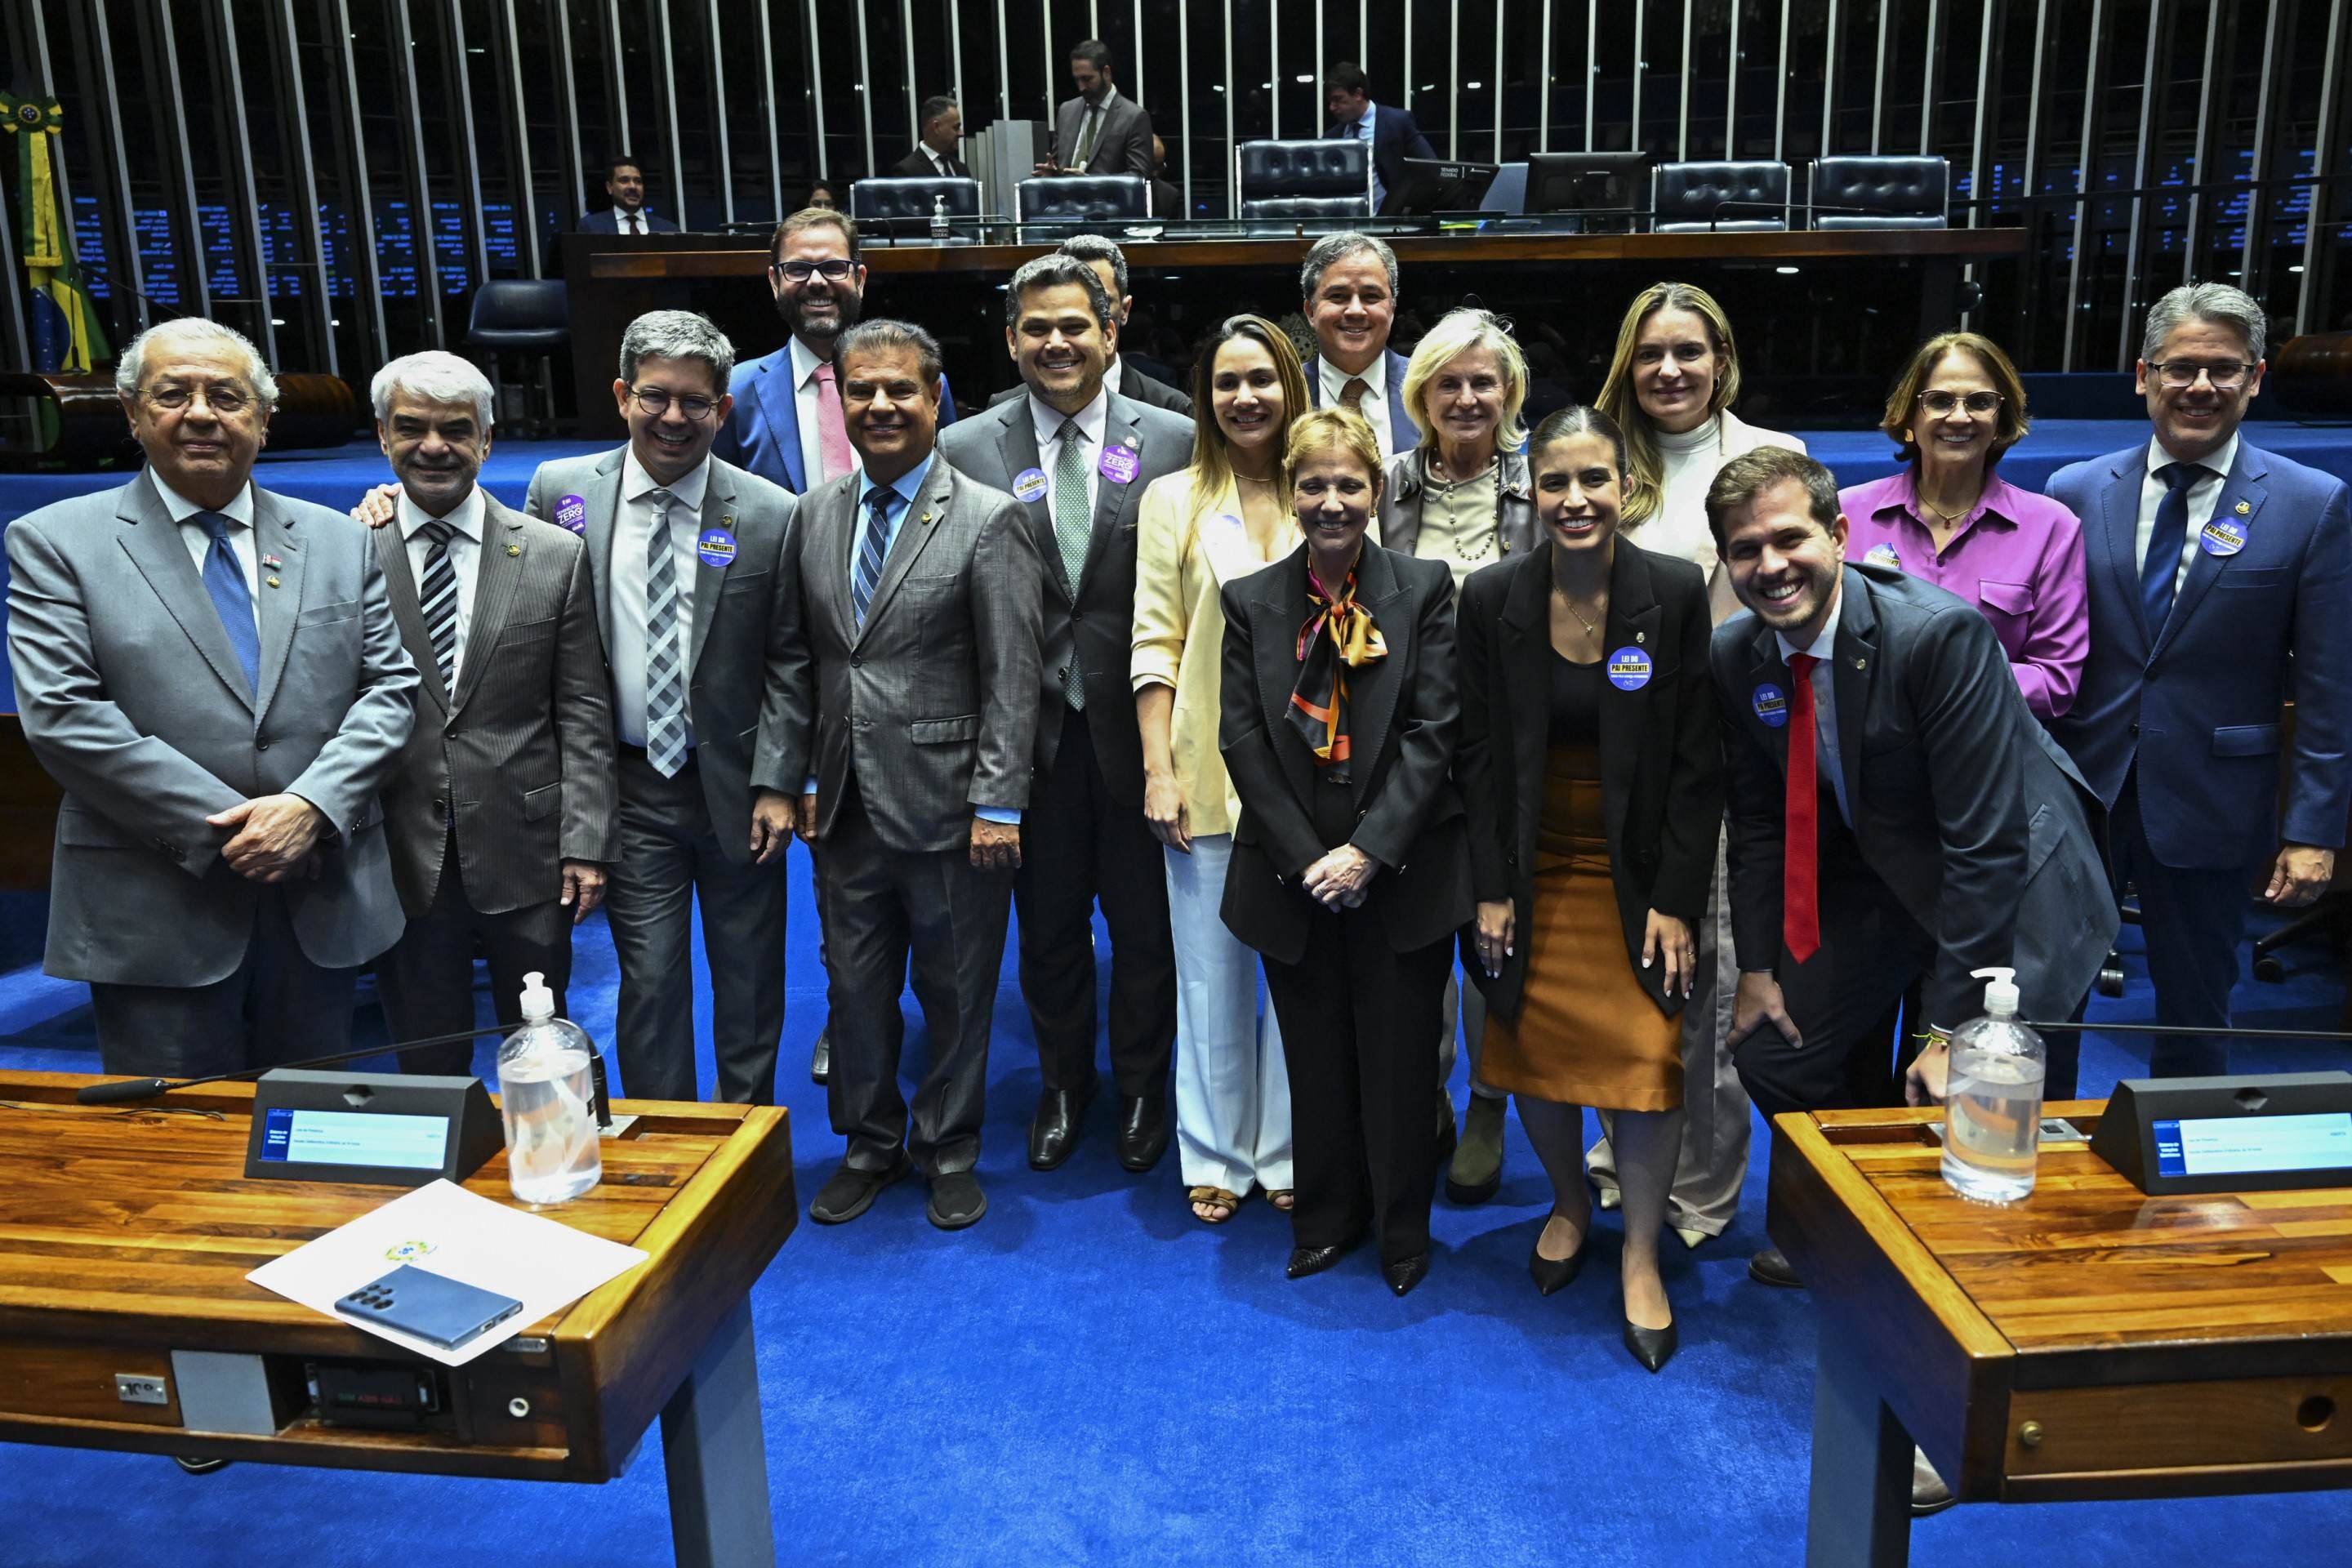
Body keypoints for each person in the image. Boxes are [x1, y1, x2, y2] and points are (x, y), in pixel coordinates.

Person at [1709, 445, 2114, 1290]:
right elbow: (1755, 822)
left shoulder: (1938, 636)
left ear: (1841, 533)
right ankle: (1861, 1229)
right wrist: (1756, 967)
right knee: (1777, 1055)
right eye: (1746, 550)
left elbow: (1986, 844)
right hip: (1878, 865)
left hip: (2020, 880)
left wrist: (1948, 1031)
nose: (1771, 566)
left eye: (1791, 539)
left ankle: (1983, 1278)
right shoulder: (1736, 654)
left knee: (1989, 1099)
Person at [4, 320, 416, 1076]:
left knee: (312, 1142)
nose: (200, 414)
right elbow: (64, 715)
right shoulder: (56, 541)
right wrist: (239, 832)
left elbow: (390, 690)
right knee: (173, 1156)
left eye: (226, 396)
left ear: (262, 418)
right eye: (173, 394)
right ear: (133, 413)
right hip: (158, 907)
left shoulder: (339, 541)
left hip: (320, 897)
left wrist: (311, 809)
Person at [1458, 405, 1720, 1371]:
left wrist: (1677, 899)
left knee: (1647, 1068)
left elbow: (1698, 761)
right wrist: (1491, 888)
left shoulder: (1675, 591)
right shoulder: (1491, 598)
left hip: (1638, 872)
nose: (1575, 500)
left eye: (1593, 481)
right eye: (1555, 481)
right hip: (1531, 868)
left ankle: (1642, 1253)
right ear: (1530, 489)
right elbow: (1477, 758)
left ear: (1626, 487)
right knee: (1531, 1047)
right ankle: (1571, 1203)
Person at [775, 319, 1044, 1231]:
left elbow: (1014, 676)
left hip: (950, 803)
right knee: (853, 988)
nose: (880, 405)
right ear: (841, 401)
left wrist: (999, 803)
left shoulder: (989, 516)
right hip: (843, 802)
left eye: (901, 390)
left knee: (956, 989)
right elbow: (804, 663)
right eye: (863, 391)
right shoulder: (813, 515)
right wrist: (798, 777)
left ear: (936, 400)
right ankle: (868, 1142)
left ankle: (949, 1145)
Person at [2047, 282, 2352, 1080]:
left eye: (2225, 370)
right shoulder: (2076, 491)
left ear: (2255, 380)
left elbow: (2328, 684)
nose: (2201, 388)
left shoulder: (2311, 504)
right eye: (2182, 368)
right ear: (2144, 374)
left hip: (2214, 794)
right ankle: (2039, 1165)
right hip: (2081, 785)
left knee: (2196, 1006)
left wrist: (2315, 830)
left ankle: (2183, 1186)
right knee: (2047, 1002)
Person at [938, 254, 1190, 1174]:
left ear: (1110, 331)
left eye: (1074, 325)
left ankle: (1139, 1090)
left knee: (1144, 931)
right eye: (1036, 328)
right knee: (1046, 932)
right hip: (1027, 739)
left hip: (1140, 735)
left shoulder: (1173, 439)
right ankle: (1062, 1084)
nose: (1056, 343)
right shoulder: (965, 447)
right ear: (1010, 340)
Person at [521, 311, 802, 1106]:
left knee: (749, 984)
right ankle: (670, 1146)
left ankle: (743, 1144)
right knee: (650, 987)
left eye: (695, 402)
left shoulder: (772, 513)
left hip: (741, 793)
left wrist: (779, 780)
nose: (674, 418)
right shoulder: (561, 493)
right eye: (655, 397)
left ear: (724, 408)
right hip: (632, 788)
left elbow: (790, 659)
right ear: (621, 395)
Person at [1218, 408, 1469, 1297]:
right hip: (1293, 880)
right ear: (1291, 493)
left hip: (1400, 873)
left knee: (1400, 1064)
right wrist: (1306, 858)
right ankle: (1327, 1218)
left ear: (1377, 492)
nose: (1331, 502)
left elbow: (1436, 732)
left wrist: (1367, 852)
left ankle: (1404, 1232)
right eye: (1314, 485)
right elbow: (1242, 739)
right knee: (1315, 1058)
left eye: (1349, 485)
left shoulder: (1426, 587)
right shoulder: (1249, 600)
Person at [1584, 280, 1806, 1250]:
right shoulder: (1597, 461)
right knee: (1616, 973)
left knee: (1708, 981)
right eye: (1649, 353)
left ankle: (1701, 1190)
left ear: (1723, 360)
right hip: (1607, 758)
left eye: (1689, 352)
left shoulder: (1774, 459)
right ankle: (1613, 1156)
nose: (1668, 371)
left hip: (1721, 751)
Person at [362, 352, 617, 1076]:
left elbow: (583, 710)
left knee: (546, 1048)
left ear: (487, 440)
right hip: (399, 848)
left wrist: (588, 840)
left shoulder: (554, 555)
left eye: (455, 429)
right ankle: (439, 1182)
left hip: (528, 848)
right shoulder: (346, 551)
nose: (433, 446)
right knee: (424, 1053)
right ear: (382, 437)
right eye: (411, 428)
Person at [1134, 315, 1309, 1223]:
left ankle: (1285, 1151)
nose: (1246, 397)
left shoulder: (1326, 484)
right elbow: (1155, 642)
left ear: (1292, 386)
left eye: (1263, 379)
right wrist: (1157, 768)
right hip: (1202, 770)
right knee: (1209, 975)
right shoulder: (1172, 498)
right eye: (1228, 381)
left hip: (1314, 780)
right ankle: (1213, 1154)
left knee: (1295, 977)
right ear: (1205, 398)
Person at [1377, 306, 1541, 1204]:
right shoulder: (1389, 485)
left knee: (1496, 937)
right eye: (1450, 384)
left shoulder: (1541, 485)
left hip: (1506, 750)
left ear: (1509, 393)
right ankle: (1428, 1094)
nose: (1468, 398)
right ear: (1422, 396)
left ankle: (1488, 1099)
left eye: (1484, 382)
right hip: (1404, 749)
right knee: (1412, 938)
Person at [1840, 332, 2087, 723]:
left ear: (2000, 419)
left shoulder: (2051, 528)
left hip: (1992, 759)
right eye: (1939, 401)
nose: (1959, 417)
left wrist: (1939, 678)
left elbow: (2055, 684)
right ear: (1909, 415)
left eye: (1980, 402)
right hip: (1869, 760)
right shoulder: (1847, 513)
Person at [717, 208, 962, 500]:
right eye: (798, 269)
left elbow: (947, 492)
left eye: (833, 267)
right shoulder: (736, 392)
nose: (817, 281)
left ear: (860, 279)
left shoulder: (923, 384)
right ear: (774, 282)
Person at [989, 236, 1191, 414]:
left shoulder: (1170, 408)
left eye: (1101, 300)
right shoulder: (1000, 410)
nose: (1057, 343)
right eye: (1038, 328)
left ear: (1124, 310)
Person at [1298, 232, 1412, 462]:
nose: (1356, 311)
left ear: (1392, 308)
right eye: (1338, 296)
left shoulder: (1427, 385)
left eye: (1371, 297)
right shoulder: (1285, 390)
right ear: (1310, 312)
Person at [1322, 61, 1434, 216]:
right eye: (1330, 101)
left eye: (1338, 99)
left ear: (1358, 94)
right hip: (1346, 227)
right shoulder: (1331, 138)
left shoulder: (1397, 123)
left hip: (1391, 223)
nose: (1332, 107)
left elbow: (1430, 167)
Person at [1038, 39, 1153, 177]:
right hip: (1066, 198)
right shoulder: (1066, 111)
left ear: (1106, 72)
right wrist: (1053, 172)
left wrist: (1092, 183)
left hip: (1106, 199)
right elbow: (1057, 163)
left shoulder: (1134, 117)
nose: (1081, 87)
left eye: (1087, 79)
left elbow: (1138, 176)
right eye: (1077, 80)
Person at [577, 155, 679, 234]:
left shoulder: (669, 229)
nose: (633, 187)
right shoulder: (591, 227)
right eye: (624, 181)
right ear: (609, 187)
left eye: (638, 181)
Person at [896, 96, 970, 178]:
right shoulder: (907, 171)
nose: (961, 133)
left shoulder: (962, 169)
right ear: (936, 127)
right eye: (956, 127)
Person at [1149, 134, 1182, 221]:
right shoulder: (1117, 191)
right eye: (1153, 166)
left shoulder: (1170, 195)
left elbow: (1174, 232)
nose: (1156, 173)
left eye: (1160, 166)